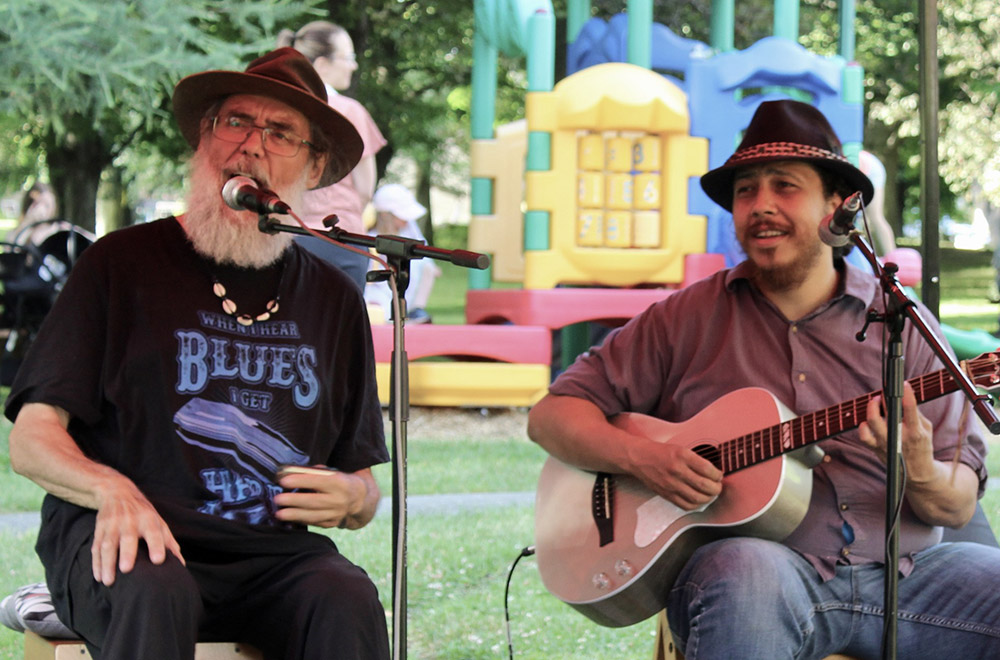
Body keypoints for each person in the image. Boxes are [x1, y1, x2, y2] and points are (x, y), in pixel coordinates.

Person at [527, 100, 1000, 658]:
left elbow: (955, 509)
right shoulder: (684, 319)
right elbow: (552, 415)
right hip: (766, 575)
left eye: (785, 186)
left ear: (839, 206)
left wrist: (917, 464)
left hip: (912, 576)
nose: (761, 206)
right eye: (746, 191)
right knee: (741, 569)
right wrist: (643, 459)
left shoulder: (907, 326)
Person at [5, 48, 390, 660]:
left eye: (280, 132)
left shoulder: (332, 300)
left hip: (270, 555)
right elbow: (31, 438)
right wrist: (112, 490)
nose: (252, 145)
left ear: (314, 168)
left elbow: (360, 479)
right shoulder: (120, 264)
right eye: (235, 121)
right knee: (157, 591)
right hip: (128, 538)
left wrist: (357, 500)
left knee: (345, 597)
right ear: (205, 139)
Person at [277, 21, 387, 291]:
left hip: (283, 237)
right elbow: (364, 189)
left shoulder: (278, 109)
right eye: (348, 57)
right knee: (342, 329)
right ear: (323, 65)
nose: (354, 65)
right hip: (341, 240)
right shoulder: (349, 112)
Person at [364, 183, 440, 324]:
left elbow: (427, 262)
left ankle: (416, 310)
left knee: (427, 269)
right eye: (402, 216)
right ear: (386, 215)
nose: (407, 220)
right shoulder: (371, 239)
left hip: (406, 296)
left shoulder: (409, 233)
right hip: (380, 296)